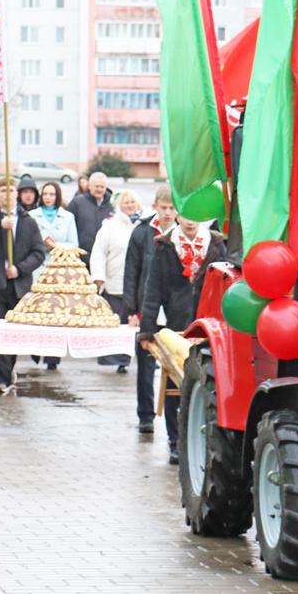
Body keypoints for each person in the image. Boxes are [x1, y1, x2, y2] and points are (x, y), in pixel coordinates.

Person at [139, 216, 227, 464]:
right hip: (175, 324)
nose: (190, 222)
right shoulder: (165, 245)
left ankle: (201, 439)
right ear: (177, 215)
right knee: (174, 383)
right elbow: (152, 289)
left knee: (206, 383)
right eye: (185, 216)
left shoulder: (215, 244)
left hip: (207, 325)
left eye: (196, 216)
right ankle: (175, 441)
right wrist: (147, 330)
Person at [0, 178, 47, 392]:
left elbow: (38, 252)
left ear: (17, 193)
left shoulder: (27, 221)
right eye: (2, 190)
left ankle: (8, 369)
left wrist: (21, 268)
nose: (7, 194)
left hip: (18, 286)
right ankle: (2, 377)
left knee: (13, 334)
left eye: (11, 190)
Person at [123, 184, 178, 433]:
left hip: (175, 310)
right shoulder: (142, 232)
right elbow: (131, 272)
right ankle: (145, 415)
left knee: (174, 366)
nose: (167, 213)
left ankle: (173, 422)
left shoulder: (183, 233)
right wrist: (132, 309)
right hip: (148, 307)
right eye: (163, 207)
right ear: (155, 206)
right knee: (145, 364)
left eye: (172, 208)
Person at [28, 181, 79, 371]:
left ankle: (53, 357)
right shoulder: (32, 216)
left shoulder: (68, 217)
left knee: (56, 313)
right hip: (37, 268)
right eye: (45, 194)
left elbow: (74, 244)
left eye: (52, 194)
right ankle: (36, 349)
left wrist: (56, 246)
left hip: (58, 268)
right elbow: (27, 243)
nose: (48, 197)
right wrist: (42, 243)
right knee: (38, 311)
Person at [90, 189, 142, 374]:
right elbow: (98, 253)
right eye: (126, 202)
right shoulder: (109, 227)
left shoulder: (143, 225)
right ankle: (117, 358)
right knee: (116, 323)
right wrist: (98, 277)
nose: (129, 205)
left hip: (137, 284)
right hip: (115, 282)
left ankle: (129, 357)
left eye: (132, 202)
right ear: (119, 206)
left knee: (133, 324)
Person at [68, 171, 114, 264]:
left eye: (102, 187)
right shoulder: (77, 202)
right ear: (89, 186)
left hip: (106, 258)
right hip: (81, 258)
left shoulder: (113, 204)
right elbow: (69, 228)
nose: (99, 189)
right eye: (96, 186)